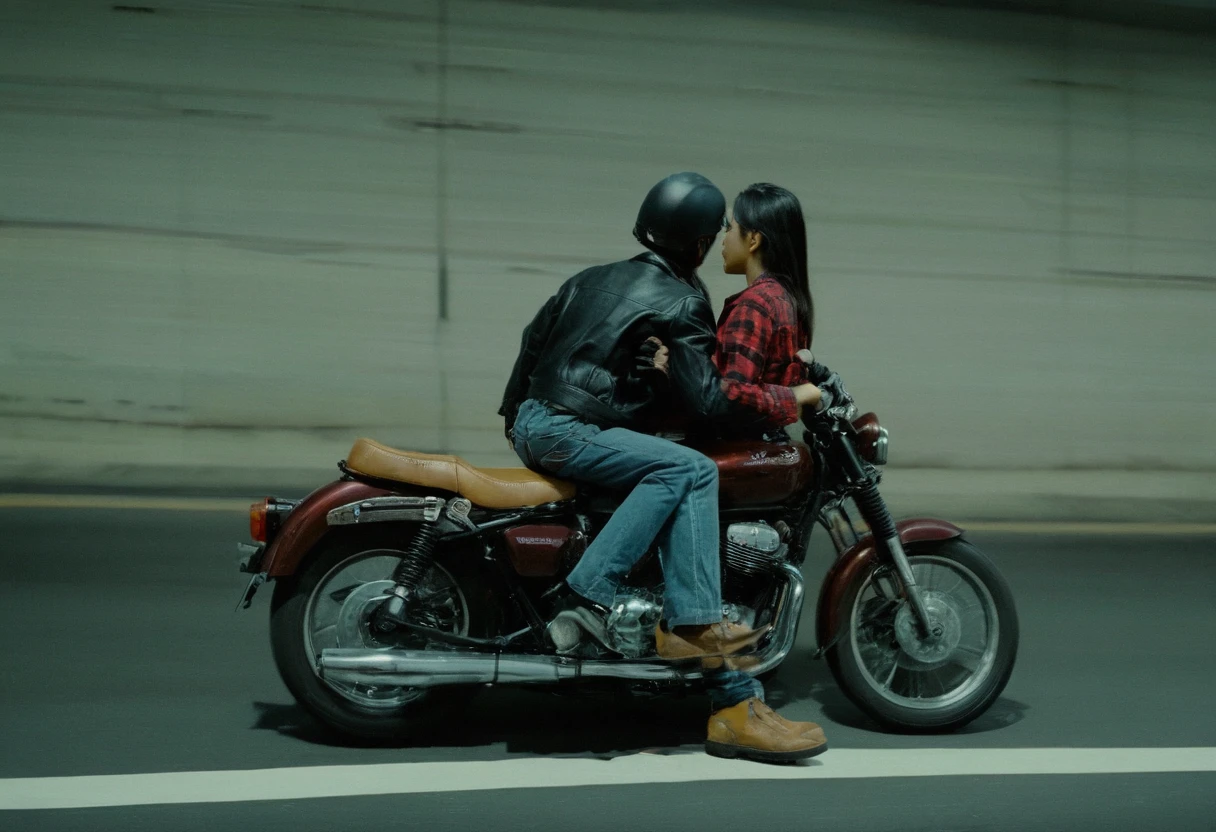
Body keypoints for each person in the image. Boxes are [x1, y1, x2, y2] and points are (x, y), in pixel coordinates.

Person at [500, 172, 828, 763]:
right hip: (571, 430)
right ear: (700, 244)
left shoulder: (591, 278)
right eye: (720, 230)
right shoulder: (685, 299)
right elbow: (712, 399)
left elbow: (531, 341)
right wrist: (790, 396)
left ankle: (691, 642)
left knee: (674, 469)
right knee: (692, 471)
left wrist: (518, 423)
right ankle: (609, 593)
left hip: (537, 420)